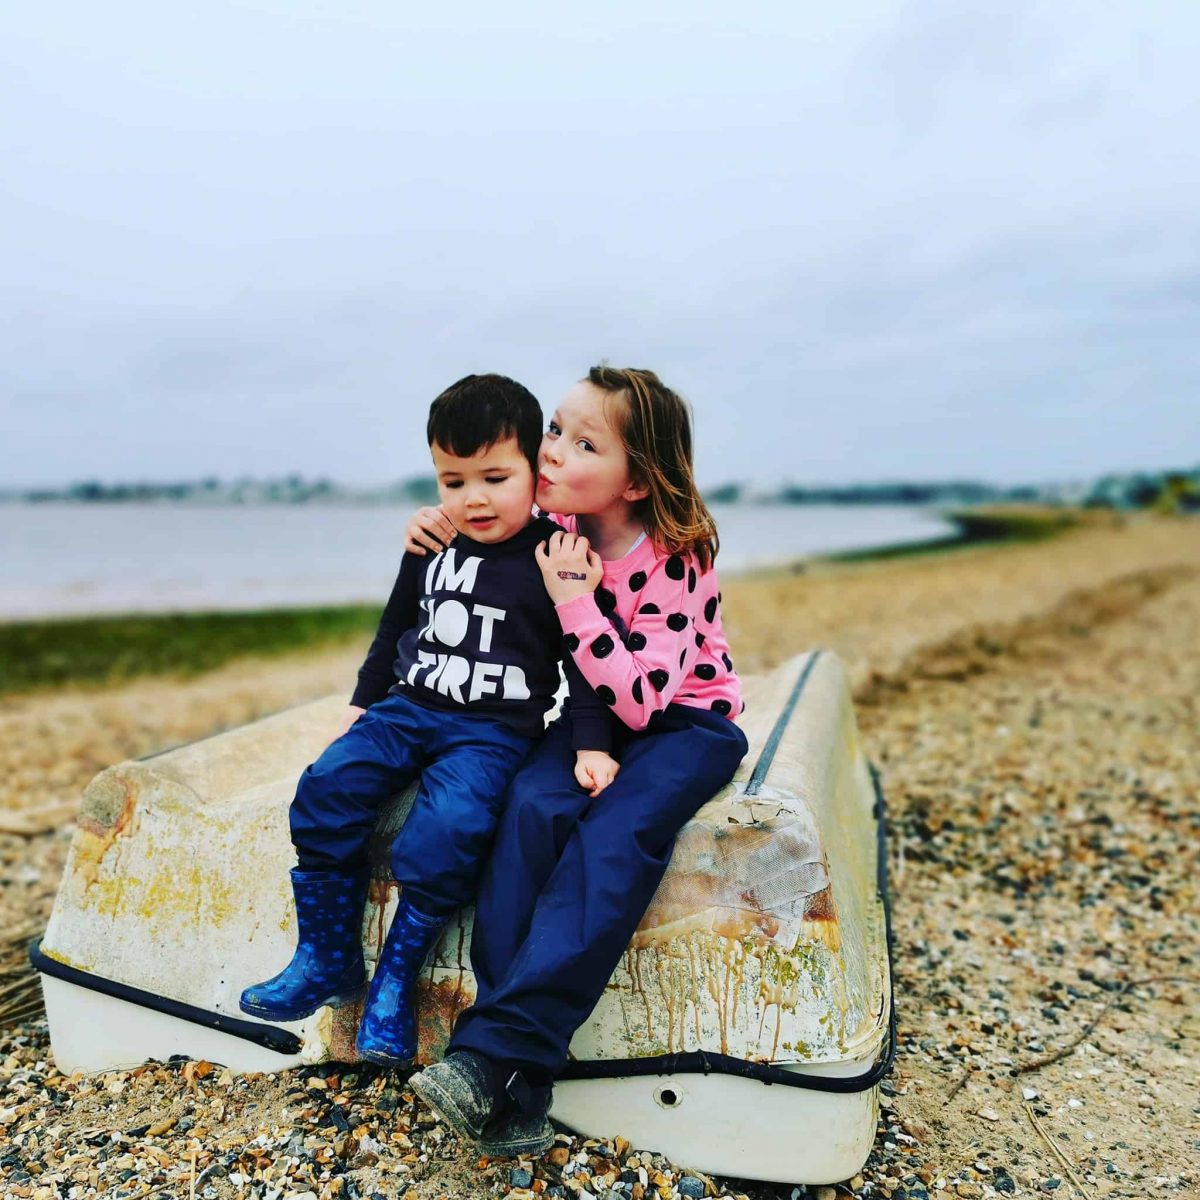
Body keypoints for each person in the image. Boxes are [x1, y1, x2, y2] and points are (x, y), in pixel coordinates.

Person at [401, 366, 748, 1156]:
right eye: (554, 429)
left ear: (637, 481)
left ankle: (488, 1054)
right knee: (528, 810)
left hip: (688, 724)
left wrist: (573, 600)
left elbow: (642, 704)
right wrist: (434, 526)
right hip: (596, 723)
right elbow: (480, 520)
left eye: (583, 442)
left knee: (612, 840)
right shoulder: (561, 532)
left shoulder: (675, 557)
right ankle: (515, 1074)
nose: (551, 452)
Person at [239, 373, 616, 1069]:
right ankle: (326, 957)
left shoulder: (554, 558)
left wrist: (592, 743)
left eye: (495, 477)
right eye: (452, 480)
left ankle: (392, 982)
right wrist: (360, 705)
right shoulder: (432, 544)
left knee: (450, 828)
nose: (472, 498)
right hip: (407, 708)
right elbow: (394, 629)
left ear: (537, 468)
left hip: (493, 731)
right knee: (326, 786)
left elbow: (583, 657)